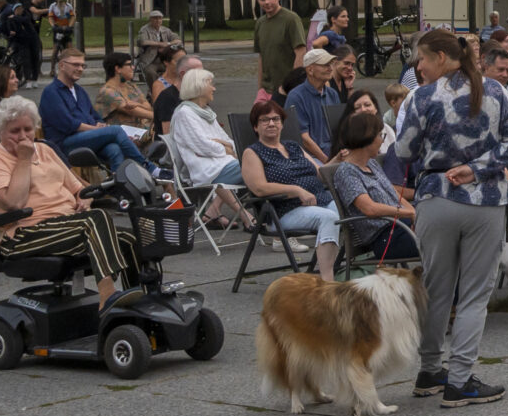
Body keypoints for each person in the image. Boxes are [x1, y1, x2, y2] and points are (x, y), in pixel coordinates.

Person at [392, 28, 508, 406]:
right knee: (473, 295)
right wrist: (479, 166)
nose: (417, 67)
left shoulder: (421, 96)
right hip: (484, 199)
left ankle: (430, 370)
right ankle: (461, 378)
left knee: (436, 289)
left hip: (435, 198)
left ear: (439, 57)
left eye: (421, 58)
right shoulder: (496, 90)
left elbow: (402, 150)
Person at [0, 96, 144, 302]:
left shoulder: (45, 149)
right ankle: (107, 296)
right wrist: (23, 159)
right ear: (1, 132)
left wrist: (86, 201)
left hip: (65, 224)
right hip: (23, 233)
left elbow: (79, 189)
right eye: (15, 131)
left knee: (129, 239)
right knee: (96, 219)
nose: (23, 136)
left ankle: (137, 300)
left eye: (28, 129)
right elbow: (14, 202)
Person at [240, 99, 343, 278]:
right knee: (330, 218)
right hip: (284, 210)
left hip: (320, 201)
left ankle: (356, 266)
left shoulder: (293, 146)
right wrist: (296, 190)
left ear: (282, 123)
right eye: (265, 120)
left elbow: (320, 174)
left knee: (349, 210)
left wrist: (338, 160)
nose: (271, 123)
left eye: (276, 119)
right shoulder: (252, 152)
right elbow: (259, 188)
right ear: (256, 127)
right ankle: (328, 282)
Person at [329, 107, 425, 268]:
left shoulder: (371, 164)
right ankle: (450, 292)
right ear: (366, 138)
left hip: (401, 228)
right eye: (380, 135)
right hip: (386, 238)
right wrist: (409, 213)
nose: (382, 140)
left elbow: (395, 195)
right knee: (446, 242)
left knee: (451, 231)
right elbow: (369, 209)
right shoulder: (347, 172)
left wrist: (414, 213)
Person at [38, 50, 152, 172]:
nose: (80, 69)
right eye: (75, 65)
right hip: (64, 144)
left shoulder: (79, 91)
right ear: (61, 65)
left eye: (82, 65)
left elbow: (95, 116)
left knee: (114, 149)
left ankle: (119, 187)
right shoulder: (51, 92)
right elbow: (69, 124)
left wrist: (99, 124)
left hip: (85, 139)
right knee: (116, 130)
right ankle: (148, 167)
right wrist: (99, 129)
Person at [165, 68, 248, 227]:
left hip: (221, 164)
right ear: (198, 87)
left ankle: (253, 216)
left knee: (262, 166)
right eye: (211, 84)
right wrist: (226, 149)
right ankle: (263, 218)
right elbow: (204, 147)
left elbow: (229, 141)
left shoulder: (206, 112)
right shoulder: (185, 114)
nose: (214, 88)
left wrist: (225, 146)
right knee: (259, 166)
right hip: (208, 170)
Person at [286, 48, 346, 160]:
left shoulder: (332, 94)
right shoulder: (296, 97)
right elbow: (303, 138)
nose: (330, 68)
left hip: (334, 153)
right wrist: (327, 161)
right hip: (311, 157)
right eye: (325, 65)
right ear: (310, 70)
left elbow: (340, 129)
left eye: (331, 64)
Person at [251, 0, 304, 99]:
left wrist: (292, 86)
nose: (267, 2)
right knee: (258, 117)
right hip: (265, 90)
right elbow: (261, 57)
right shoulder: (260, 23)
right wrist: (260, 88)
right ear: (258, 0)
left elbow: (300, 52)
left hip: (285, 90)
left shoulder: (291, 19)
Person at [88, 52, 154, 129]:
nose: (133, 67)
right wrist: (160, 117)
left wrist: (138, 104)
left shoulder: (131, 86)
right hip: (122, 134)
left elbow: (148, 106)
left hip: (140, 129)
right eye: (129, 65)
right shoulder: (107, 92)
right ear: (118, 69)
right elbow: (132, 110)